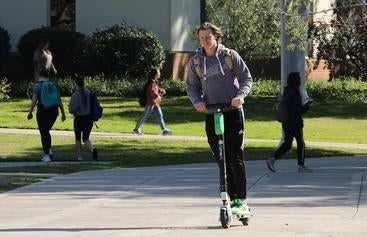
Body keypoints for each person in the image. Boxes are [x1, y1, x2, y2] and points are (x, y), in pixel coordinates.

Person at [186, 22, 253, 215]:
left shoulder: (229, 56)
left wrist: (240, 96)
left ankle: (240, 200)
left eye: (208, 37)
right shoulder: (196, 61)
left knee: (235, 156)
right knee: (220, 157)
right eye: (201, 38)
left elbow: (246, 78)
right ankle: (228, 196)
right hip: (211, 112)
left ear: (216, 37)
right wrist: (196, 100)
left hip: (232, 111)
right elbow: (191, 86)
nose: (205, 41)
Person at [266, 72, 313, 173]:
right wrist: (307, 106)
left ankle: (272, 159)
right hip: (295, 122)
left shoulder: (286, 90)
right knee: (300, 143)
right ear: (296, 81)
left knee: (287, 143)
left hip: (286, 121)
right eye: (299, 79)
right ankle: (301, 166)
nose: (300, 81)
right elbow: (297, 110)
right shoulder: (295, 93)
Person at [27, 69, 66, 162]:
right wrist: (63, 113)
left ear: (39, 75)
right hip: (54, 111)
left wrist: (30, 112)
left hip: (43, 111)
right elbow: (59, 100)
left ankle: (47, 155)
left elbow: (34, 100)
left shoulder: (38, 86)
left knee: (43, 132)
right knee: (46, 131)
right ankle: (49, 150)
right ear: (48, 76)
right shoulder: (54, 85)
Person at [133, 68, 173, 136]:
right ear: (155, 74)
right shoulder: (151, 82)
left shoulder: (155, 82)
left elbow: (155, 90)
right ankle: (136, 129)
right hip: (150, 102)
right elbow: (151, 91)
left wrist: (161, 90)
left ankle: (164, 130)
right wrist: (157, 96)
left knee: (160, 115)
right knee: (145, 115)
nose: (159, 74)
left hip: (155, 103)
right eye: (158, 73)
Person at [68, 75, 98, 161]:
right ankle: (92, 149)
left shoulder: (75, 95)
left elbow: (71, 110)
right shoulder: (89, 92)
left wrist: (70, 107)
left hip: (79, 119)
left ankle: (79, 157)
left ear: (76, 83)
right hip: (89, 118)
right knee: (85, 138)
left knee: (78, 138)